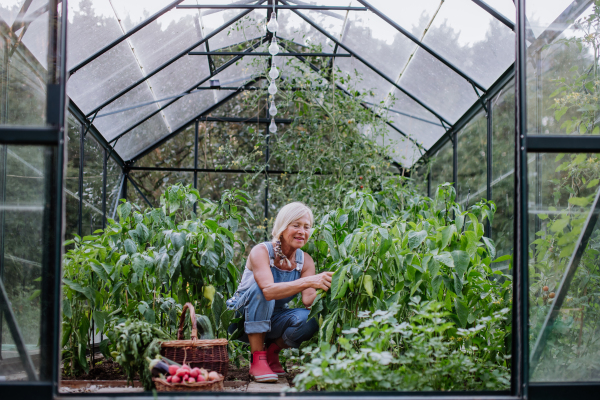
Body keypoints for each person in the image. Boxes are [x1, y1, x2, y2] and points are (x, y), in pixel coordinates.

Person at [226, 202, 334, 383]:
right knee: (262, 289)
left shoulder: (305, 261)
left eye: (307, 227)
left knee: (311, 317)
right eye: (296, 225)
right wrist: (309, 280)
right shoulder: (261, 251)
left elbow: (308, 300)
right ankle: (257, 359)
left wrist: (335, 290)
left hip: (272, 318)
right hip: (240, 318)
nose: (302, 231)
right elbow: (267, 291)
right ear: (283, 228)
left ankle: (271, 353)